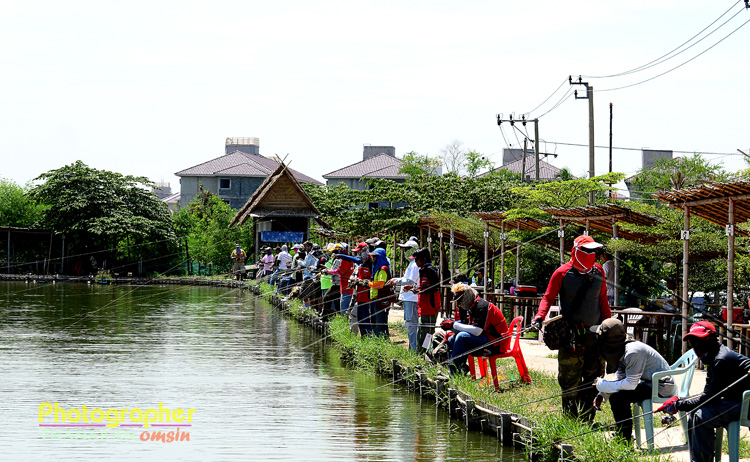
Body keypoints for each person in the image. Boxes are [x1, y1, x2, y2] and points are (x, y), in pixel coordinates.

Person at [531, 235, 611, 422]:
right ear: (576, 251)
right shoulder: (561, 273)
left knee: (594, 380)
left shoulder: (598, 270)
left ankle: (587, 420)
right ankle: (569, 421)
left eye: (594, 251)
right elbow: (548, 297)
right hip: (571, 338)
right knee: (569, 382)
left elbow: (603, 301)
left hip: (595, 337)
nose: (591, 254)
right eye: (587, 250)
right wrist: (539, 317)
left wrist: (608, 327)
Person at [657, 321, 750, 462]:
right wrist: (679, 401)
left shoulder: (721, 359)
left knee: (701, 416)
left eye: (700, 340)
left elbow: (709, 399)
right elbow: (708, 393)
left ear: (712, 338)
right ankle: (697, 459)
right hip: (735, 400)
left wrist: (679, 405)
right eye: (693, 342)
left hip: (746, 404)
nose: (696, 346)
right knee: (694, 412)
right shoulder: (712, 358)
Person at [591, 318, 675, 443]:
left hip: (662, 386)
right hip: (649, 383)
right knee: (616, 395)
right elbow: (620, 378)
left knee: (618, 398)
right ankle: (624, 436)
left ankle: (625, 439)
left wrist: (604, 386)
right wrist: (602, 394)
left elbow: (630, 384)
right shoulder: (622, 351)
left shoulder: (633, 352)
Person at [443, 283, 510, 375]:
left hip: (497, 344)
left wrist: (454, 325)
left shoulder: (482, 306)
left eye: (460, 300)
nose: (459, 304)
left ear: (466, 296)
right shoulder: (472, 306)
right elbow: (467, 326)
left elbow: (477, 331)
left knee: (462, 337)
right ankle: (453, 368)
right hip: (487, 339)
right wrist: (450, 326)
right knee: (451, 339)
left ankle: (455, 373)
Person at [386, 237, 420, 350]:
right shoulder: (411, 264)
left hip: (412, 298)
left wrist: (397, 281)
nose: (405, 251)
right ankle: (412, 348)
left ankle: (413, 350)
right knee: (409, 324)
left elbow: (410, 281)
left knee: (412, 325)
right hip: (408, 298)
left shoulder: (415, 264)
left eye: (408, 249)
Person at [405, 247, 441, 352]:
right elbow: (424, 286)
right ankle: (420, 353)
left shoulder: (430, 270)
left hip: (430, 306)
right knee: (421, 331)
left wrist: (420, 291)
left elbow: (435, 287)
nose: (415, 262)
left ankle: (427, 354)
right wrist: (414, 289)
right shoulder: (422, 270)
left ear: (424, 259)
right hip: (423, 306)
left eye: (417, 259)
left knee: (428, 333)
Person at [368, 247, 393, 337]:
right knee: (373, 321)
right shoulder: (376, 268)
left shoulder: (383, 269)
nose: (372, 258)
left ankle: (381, 340)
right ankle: (376, 339)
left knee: (379, 322)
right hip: (374, 298)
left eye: (374, 257)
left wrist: (369, 284)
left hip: (380, 299)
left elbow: (380, 284)